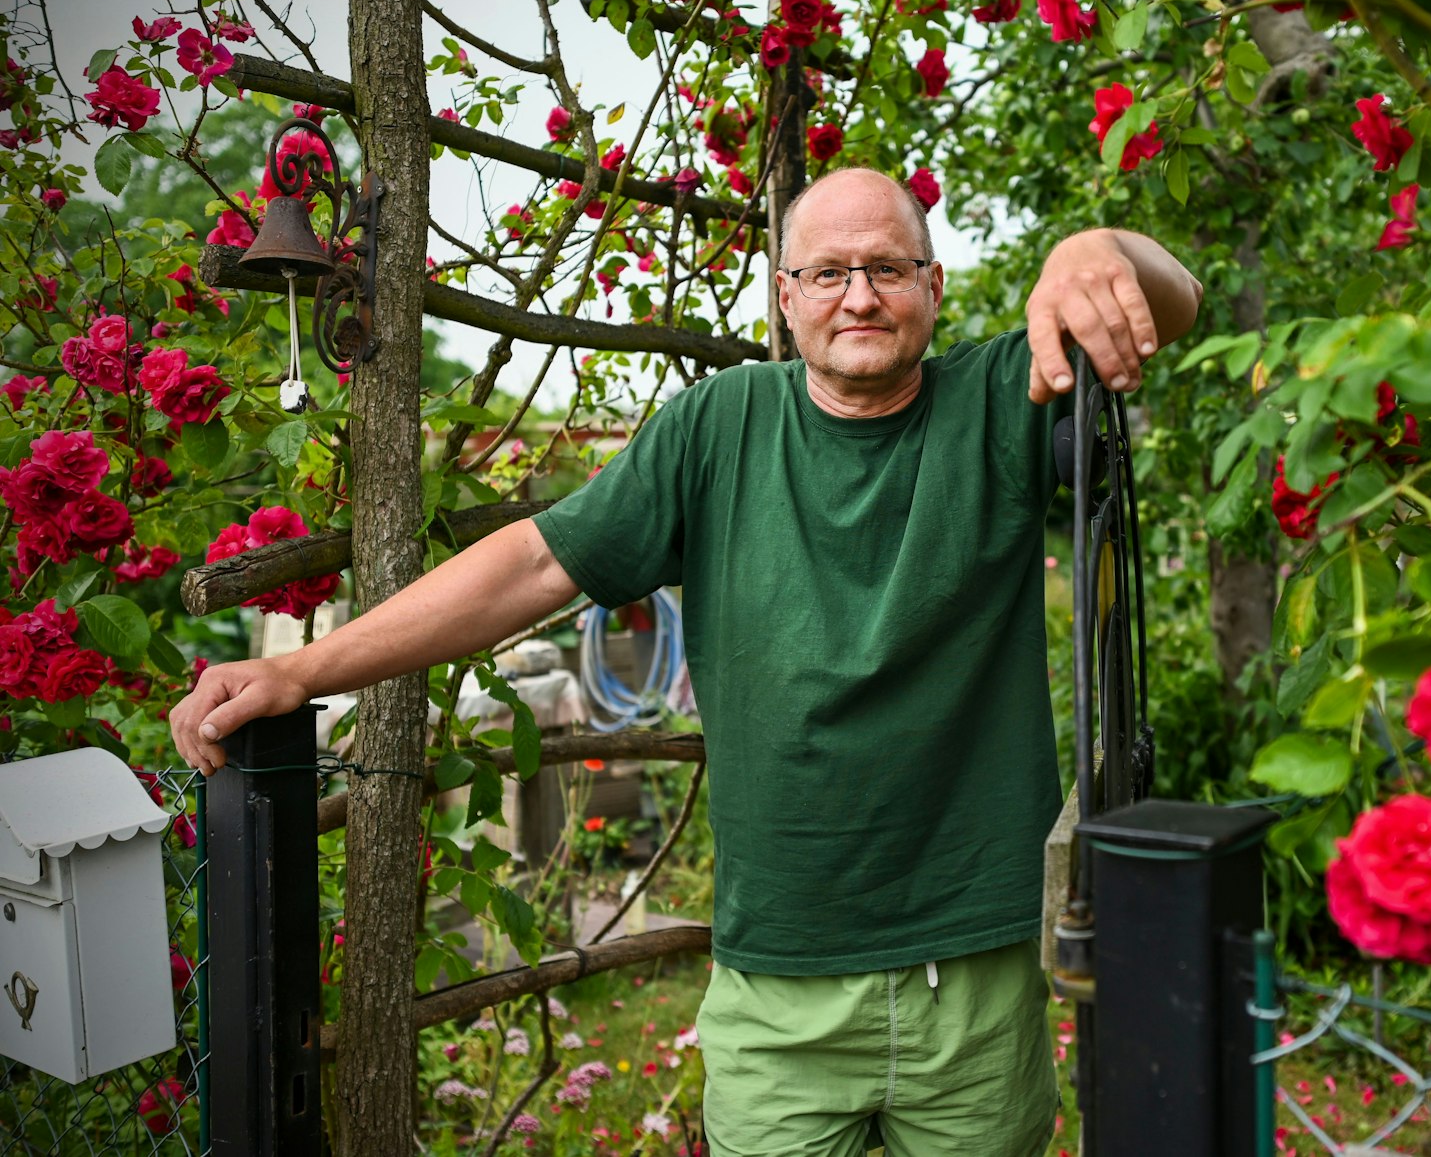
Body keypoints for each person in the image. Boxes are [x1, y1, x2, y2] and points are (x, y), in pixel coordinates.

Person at [170, 167, 1201, 1156]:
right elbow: (532, 561)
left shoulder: (997, 400)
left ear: (931, 288)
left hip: (973, 979)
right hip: (776, 992)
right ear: (786, 298)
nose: (860, 295)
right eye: (828, 273)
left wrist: (1094, 249)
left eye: (888, 268)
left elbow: (1179, 296)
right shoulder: (719, 427)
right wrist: (306, 670)